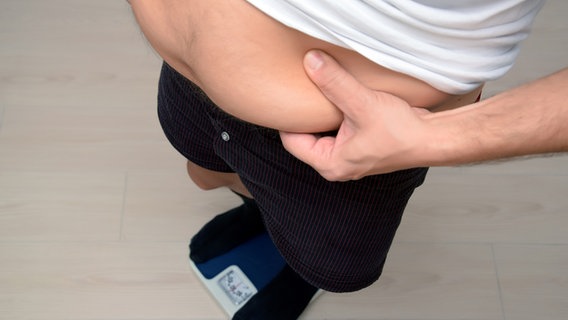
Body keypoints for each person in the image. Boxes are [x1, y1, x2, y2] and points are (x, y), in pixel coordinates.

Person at [127, 1, 546, 319]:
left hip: (347, 135)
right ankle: (265, 213)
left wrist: (439, 137)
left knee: (335, 266)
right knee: (206, 174)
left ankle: (295, 260)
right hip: (186, 73)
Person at [281, 51, 568, 181]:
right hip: (235, 118)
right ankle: (260, 220)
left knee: (332, 264)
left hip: (362, 138)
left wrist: (429, 137)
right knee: (238, 180)